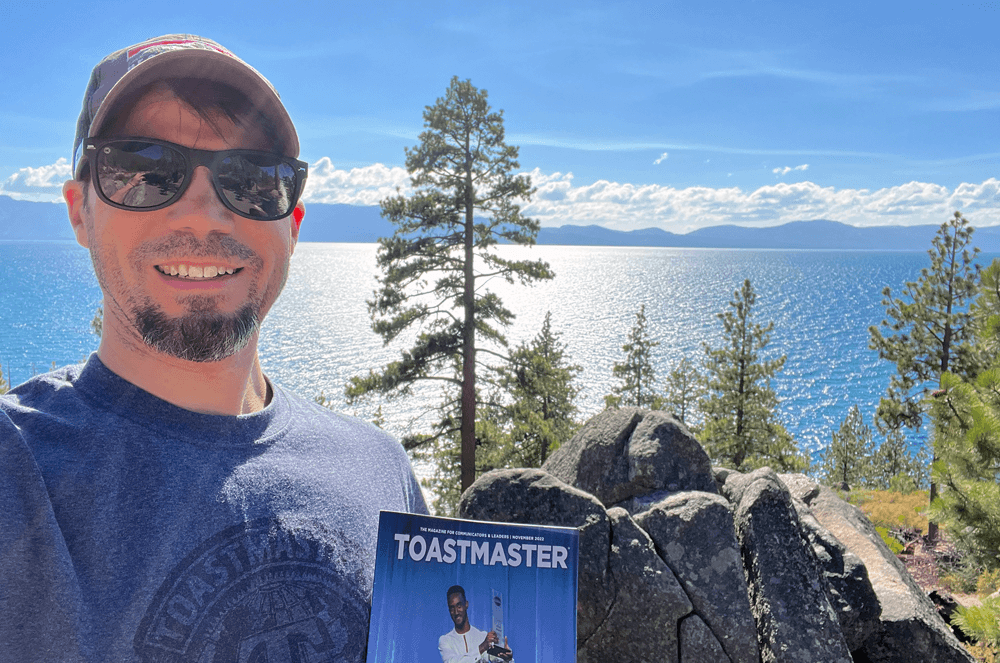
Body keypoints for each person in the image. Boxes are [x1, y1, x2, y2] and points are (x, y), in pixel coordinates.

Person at [0, 34, 426, 661]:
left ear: (293, 225)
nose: (202, 215)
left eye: (252, 180)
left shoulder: (381, 473)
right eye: (143, 171)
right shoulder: (18, 468)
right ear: (79, 211)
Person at [439, 585, 513, 663]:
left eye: (459, 606)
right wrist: (481, 648)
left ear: (466, 604)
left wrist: (507, 658)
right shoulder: (445, 640)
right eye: (452, 608)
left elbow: (498, 660)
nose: (456, 612)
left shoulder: (483, 636)